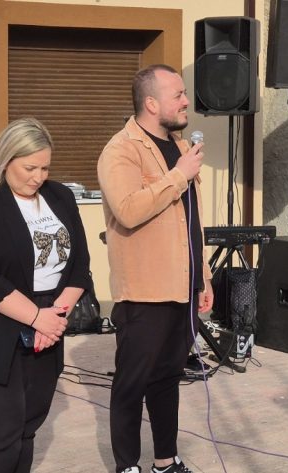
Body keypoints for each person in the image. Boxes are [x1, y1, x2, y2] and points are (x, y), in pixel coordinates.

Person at [0, 118, 92, 473]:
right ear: (6, 160)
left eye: (45, 168)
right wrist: (36, 318)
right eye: (29, 168)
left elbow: (79, 266)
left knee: (26, 428)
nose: (38, 177)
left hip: (47, 326)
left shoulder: (60, 196)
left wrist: (53, 320)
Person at [97, 64, 213, 473]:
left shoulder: (180, 147)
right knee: (132, 383)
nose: (186, 102)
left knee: (167, 378)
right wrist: (179, 176)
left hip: (184, 285)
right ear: (151, 103)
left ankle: (165, 460)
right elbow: (128, 210)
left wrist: (204, 277)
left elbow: (192, 218)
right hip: (145, 290)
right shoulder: (121, 150)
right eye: (177, 95)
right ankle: (127, 466)